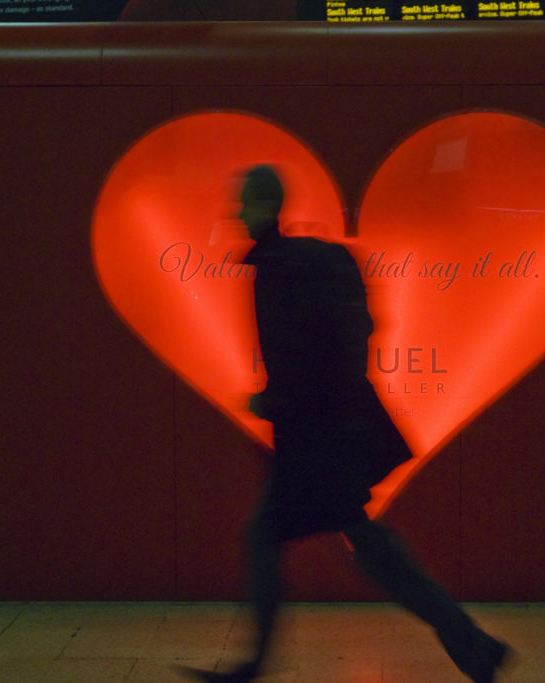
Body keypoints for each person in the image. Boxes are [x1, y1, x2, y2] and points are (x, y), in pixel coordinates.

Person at [186, 166, 510, 682]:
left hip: (313, 442)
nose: (238, 214)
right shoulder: (297, 263)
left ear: (265, 206)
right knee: (365, 547)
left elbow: (302, 355)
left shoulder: (277, 269)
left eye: (245, 204)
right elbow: (333, 345)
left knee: (277, 539)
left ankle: (252, 667)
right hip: (328, 436)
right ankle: (475, 644)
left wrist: (274, 401)